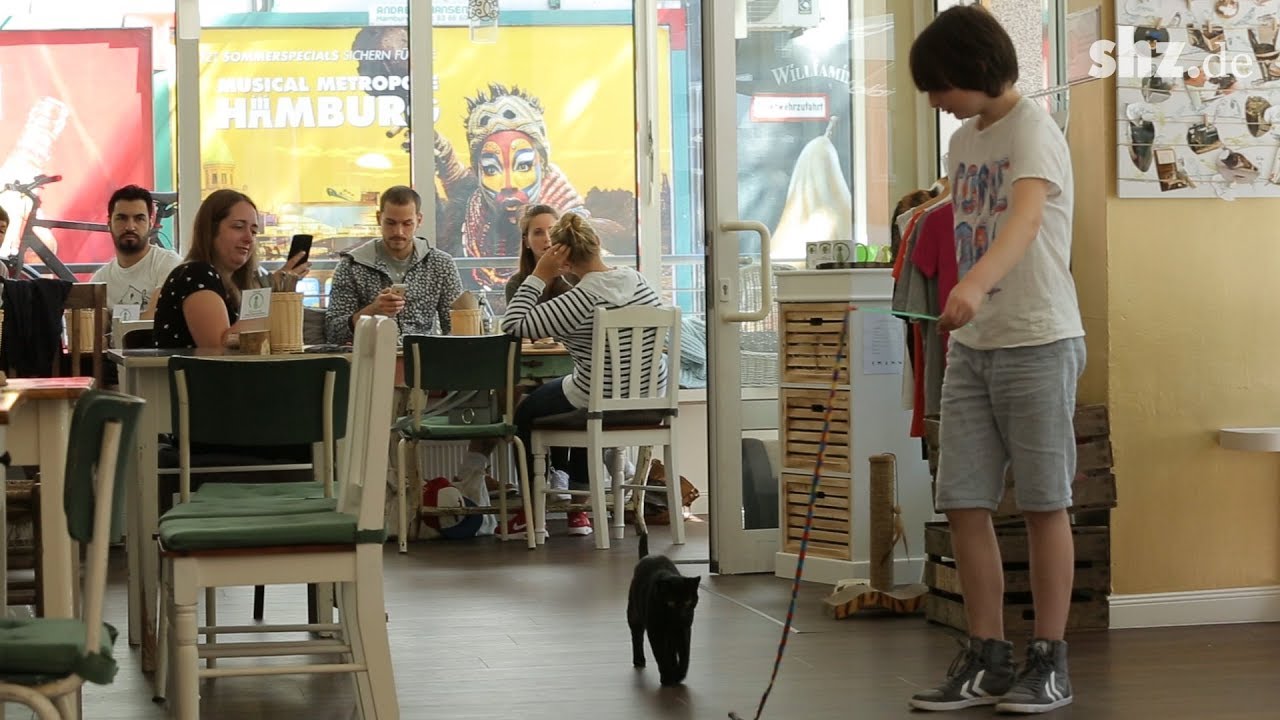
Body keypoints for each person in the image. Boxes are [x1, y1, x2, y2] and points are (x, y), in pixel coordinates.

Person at [906, 6, 1084, 715]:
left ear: (972, 67)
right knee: (963, 501)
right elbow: (965, 219)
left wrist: (975, 284)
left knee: (1045, 502)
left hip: (1038, 337)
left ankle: (1050, 660)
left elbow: (1025, 220)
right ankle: (986, 656)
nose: (933, 98)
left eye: (938, 82)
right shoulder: (962, 142)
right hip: (974, 348)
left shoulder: (1034, 129)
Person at [501, 213, 667, 539]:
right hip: (654, 402)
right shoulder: (638, 281)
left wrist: (538, 275)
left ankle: (532, 514)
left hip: (597, 401)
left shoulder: (578, 300)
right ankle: (579, 504)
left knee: (528, 410)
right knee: (579, 392)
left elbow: (513, 324)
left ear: (563, 261)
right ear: (598, 244)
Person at [151, 189, 310, 349]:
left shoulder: (236, 284)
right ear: (211, 230)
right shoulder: (196, 274)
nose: (249, 238)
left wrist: (275, 291)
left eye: (254, 231)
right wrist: (271, 296)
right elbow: (220, 350)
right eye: (238, 227)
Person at [324, 185, 464, 344]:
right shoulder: (352, 265)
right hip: (370, 359)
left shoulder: (440, 264)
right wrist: (372, 311)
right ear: (379, 219)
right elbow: (333, 332)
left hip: (423, 359)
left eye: (407, 224)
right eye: (390, 223)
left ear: (419, 221)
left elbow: (457, 326)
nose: (398, 232)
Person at [90, 185, 181, 318]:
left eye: (139, 218)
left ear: (150, 223)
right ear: (109, 223)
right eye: (122, 218)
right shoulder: (100, 280)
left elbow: (155, 320)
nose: (130, 226)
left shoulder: (168, 264)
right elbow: (93, 332)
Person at [504, 204, 576, 304]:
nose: (547, 238)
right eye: (538, 233)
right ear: (526, 242)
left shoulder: (575, 278)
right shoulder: (515, 284)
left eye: (552, 230)